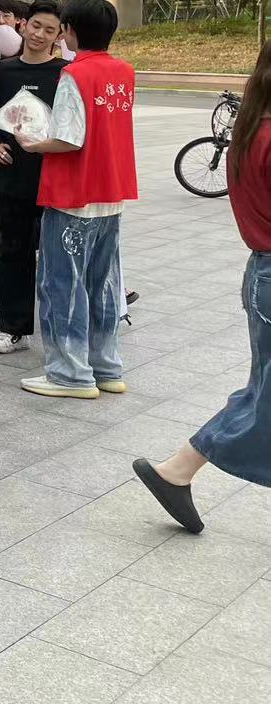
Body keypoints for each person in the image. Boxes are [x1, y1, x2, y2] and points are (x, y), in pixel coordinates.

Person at [133, 39, 271, 534]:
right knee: (264, 396)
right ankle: (177, 469)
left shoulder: (251, 130)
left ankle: (178, 470)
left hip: (262, 272)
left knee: (262, 390)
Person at [16, 0, 136, 401]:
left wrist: (33, 144)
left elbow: (69, 139)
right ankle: (106, 367)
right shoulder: (124, 72)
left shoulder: (74, 74)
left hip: (74, 194)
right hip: (111, 192)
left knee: (62, 283)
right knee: (103, 283)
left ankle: (69, 373)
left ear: (68, 31)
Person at [0, 0, 67, 356]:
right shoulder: (1, 72)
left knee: (60, 255)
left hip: (54, 174)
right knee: (12, 250)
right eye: (36, 26)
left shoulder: (66, 74)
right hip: (11, 175)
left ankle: (62, 331)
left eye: (50, 30)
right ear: (23, 25)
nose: (40, 34)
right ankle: (14, 329)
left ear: (59, 36)